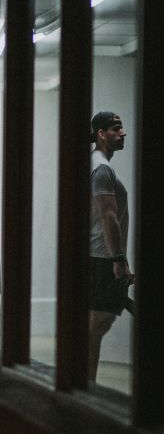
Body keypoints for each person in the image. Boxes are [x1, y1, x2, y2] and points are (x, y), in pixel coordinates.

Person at [88, 111, 133, 383]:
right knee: (96, 326)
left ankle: (84, 386)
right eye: (116, 128)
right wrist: (118, 259)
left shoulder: (96, 164)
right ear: (101, 134)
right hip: (103, 258)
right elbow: (109, 216)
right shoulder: (102, 167)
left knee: (95, 326)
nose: (123, 133)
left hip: (99, 257)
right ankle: (85, 388)